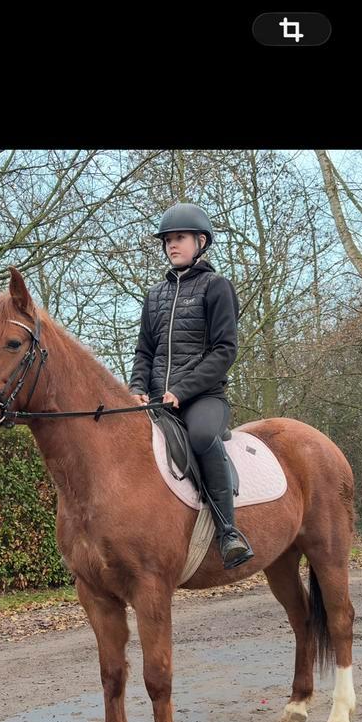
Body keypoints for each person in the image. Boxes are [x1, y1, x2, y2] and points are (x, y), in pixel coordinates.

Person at [129, 202, 254, 569]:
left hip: (204, 398)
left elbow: (224, 351)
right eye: (167, 240)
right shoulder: (155, 296)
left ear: (201, 241)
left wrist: (182, 390)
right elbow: (144, 351)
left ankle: (228, 531)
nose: (171, 245)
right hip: (157, 400)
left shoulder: (217, 287)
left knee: (200, 436)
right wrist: (138, 385)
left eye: (179, 238)